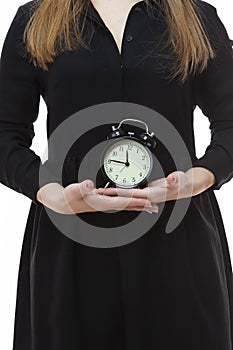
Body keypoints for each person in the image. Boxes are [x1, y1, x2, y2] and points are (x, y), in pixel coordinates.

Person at [0, 0, 233, 349]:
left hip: (177, 240)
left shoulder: (196, 17)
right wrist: (52, 194)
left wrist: (194, 179)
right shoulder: (35, 19)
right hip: (70, 243)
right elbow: (5, 133)